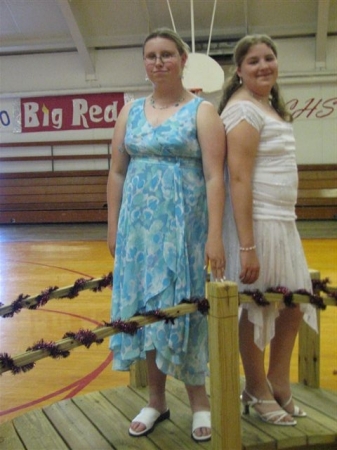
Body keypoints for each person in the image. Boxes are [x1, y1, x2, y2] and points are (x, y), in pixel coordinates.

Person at [107, 28, 226, 441]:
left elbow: (214, 177)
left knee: (186, 308)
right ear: (145, 63)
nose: (158, 62)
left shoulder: (202, 112)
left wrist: (215, 235)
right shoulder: (129, 112)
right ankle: (156, 399)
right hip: (138, 232)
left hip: (184, 231)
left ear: (182, 58)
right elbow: (117, 172)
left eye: (166, 55)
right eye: (151, 56)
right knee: (146, 310)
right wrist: (113, 226)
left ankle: (200, 401)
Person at [218, 34, 318, 426]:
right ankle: (256, 387)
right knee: (252, 303)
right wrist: (247, 246)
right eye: (254, 61)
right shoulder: (242, 110)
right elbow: (238, 178)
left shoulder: (267, 106)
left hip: (281, 219)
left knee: (293, 300)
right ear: (239, 70)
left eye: (269, 58)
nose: (263, 66)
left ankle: (278, 381)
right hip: (256, 221)